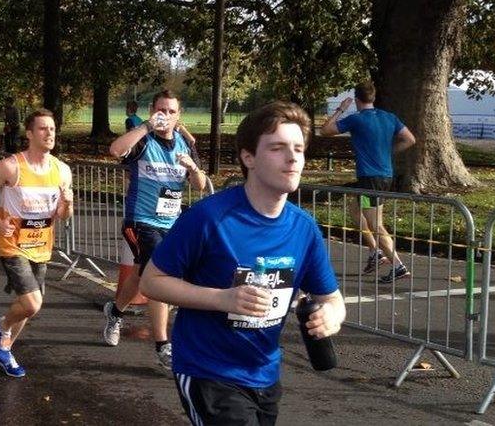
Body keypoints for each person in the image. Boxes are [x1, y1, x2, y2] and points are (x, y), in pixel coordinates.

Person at [140, 101, 346, 426]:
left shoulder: (304, 228)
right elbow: (151, 281)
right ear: (248, 157)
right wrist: (223, 298)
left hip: (264, 372)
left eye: (298, 148)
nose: (292, 158)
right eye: (277, 148)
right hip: (208, 370)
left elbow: (331, 298)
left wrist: (331, 316)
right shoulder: (209, 218)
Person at [101, 89, 208, 368]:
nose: (166, 116)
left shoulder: (185, 143)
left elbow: (199, 184)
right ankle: (163, 344)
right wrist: (147, 125)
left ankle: (115, 311)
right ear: (153, 111)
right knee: (160, 272)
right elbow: (115, 150)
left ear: (179, 115)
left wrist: (193, 168)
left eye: (172, 111)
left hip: (171, 224)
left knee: (141, 274)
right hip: (140, 221)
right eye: (161, 110)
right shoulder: (143, 139)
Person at [0, 109, 73, 377]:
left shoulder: (62, 171)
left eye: (52, 129)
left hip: (42, 247)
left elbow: (64, 215)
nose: (49, 134)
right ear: (29, 134)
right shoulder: (11, 167)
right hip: (13, 244)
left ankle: (5, 347)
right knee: (32, 304)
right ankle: (2, 328)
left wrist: (68, 202)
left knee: (29, 306)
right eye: (43, 129)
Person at [320, 81, 416, 283]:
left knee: (375, 224)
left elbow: (325, 130)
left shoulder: (356, 119)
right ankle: (375, 252)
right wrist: (388, 154)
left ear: (356, 100)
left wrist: (340, 109)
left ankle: (398, 265)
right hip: (383, 177)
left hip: (369, 179)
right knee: (355, 210)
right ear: (373, 97)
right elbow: (409, 139)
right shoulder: (389, 117)